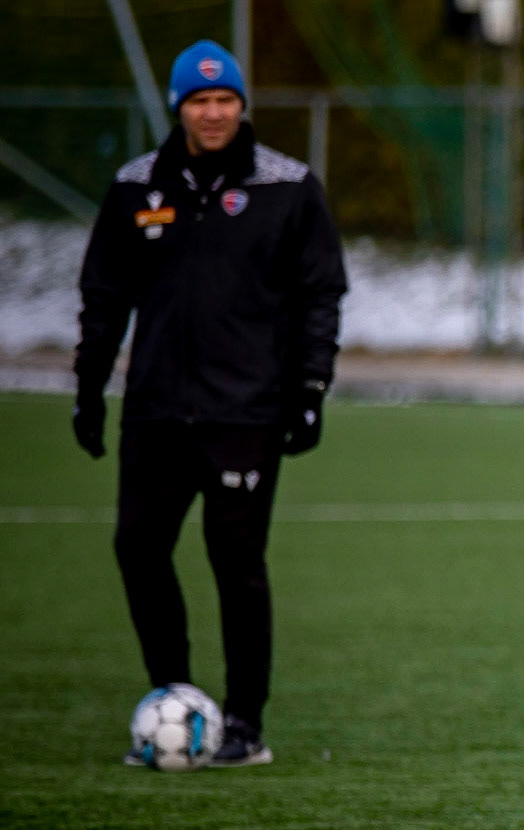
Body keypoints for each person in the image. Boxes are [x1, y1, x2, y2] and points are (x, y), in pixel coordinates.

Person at [74, 40, 348, 767]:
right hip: (157, 409)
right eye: (200, 101)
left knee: (236, 561)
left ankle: (247, 724)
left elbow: (321, 294)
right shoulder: (137, 187)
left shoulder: (287, 186)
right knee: (137, 548)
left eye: (225, 99)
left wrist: (311, 391)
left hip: (245, 414)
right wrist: (87, 390)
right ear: (179, 109)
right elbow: (103, 298)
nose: (215, 112)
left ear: (241, 106)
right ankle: (177, 699)